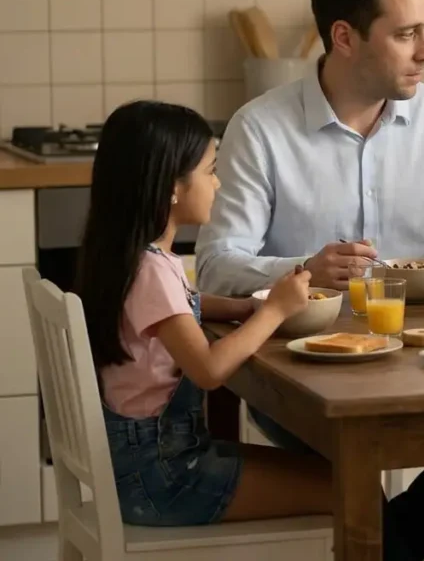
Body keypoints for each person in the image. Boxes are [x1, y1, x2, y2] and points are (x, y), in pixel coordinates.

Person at [194, 0, 424, 559]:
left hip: (420, 359)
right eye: (406, 34)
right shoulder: (260, 128)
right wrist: (303, 269)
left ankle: (379, 549)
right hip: (298, 367)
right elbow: (215, 266)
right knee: (353, 461)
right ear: (343, 37)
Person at [80, 100, 327, 528]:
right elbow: (209, 371)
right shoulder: (151, 271)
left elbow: (174, 308)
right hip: (165, 480)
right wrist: (272, 311)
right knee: (349, 486)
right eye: (211, 170)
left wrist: (242, 307)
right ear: (171, 186)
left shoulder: (130, 258)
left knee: (328, 471)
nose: (219, 183)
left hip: (142, 467)